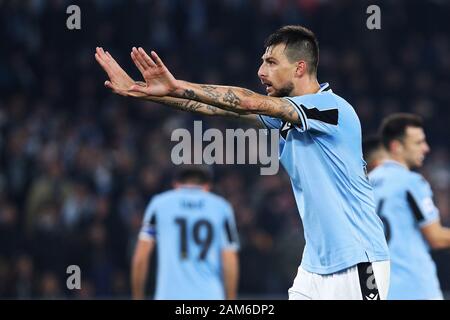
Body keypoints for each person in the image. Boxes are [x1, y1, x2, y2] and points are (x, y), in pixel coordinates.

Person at [96, 25, 390, 300]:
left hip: (358, 260)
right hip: (314, 265)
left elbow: (247, 101)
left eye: (272, 63)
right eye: (263, 61)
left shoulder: (331, 109)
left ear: (300, 68)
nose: (261, 71)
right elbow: (219, 108)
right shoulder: (289, 115)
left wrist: (177, 84)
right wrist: (142, 90)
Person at [369, 113, 450, 300]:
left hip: (377, 288)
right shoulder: (411, 182)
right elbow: (436, 237)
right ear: (396, 147)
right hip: (415, 286)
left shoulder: (365, 184)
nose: (426, 148)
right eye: (418, 143)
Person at [131, 166, 239, 300]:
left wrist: (137, 297)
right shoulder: (221, 207)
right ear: (207, 186)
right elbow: (229, 259)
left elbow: (141, 258)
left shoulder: (159, 205)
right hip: (210, 295)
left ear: (175, 184)